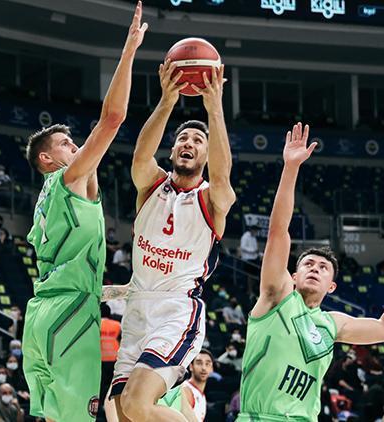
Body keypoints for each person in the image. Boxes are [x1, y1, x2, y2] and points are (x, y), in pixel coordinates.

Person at [236, 123, 384, 421]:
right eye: (307, 264)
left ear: (331, 286)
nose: (315, 269)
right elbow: (278, 232)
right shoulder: (277, 296)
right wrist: (291, 168)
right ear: (292, 276)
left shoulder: (332, 324)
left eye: (323, 268)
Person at [20, 6, 145, 422]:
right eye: (65, 142)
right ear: (46, 157)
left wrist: (112, 291)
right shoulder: (68, 179)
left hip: (41, 314)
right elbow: (112, 119)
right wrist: (128, 52)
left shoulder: (45, 201)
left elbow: (61, 269)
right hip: (70, 315)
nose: (74, 145)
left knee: (54, 416)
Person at [111, 58, 236, 422]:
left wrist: (214, 110)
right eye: (183, 137)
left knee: (136, 403)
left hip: (176, 311)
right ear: (172, 149)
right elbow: (140, 155)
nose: (189, 143)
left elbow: (224, 173)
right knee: (119, 413)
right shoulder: (150, 185)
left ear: (206, 154)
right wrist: (167, 100)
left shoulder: (213, 199)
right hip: (136, 311)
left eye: (198, 141)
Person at [159, 350, 214, 422]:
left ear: (212, 369)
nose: (203, 367)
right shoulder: (186, 390)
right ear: (191, 367)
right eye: (199, 363)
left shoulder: (202, 395)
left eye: (207, 364)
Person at [101, 303, 122, 405]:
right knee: (110, 384)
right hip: (113, 357)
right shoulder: (116, 325)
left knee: (100, 383)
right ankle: (109, 403)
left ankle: (100, 405)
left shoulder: (97, 324)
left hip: (101, 358)